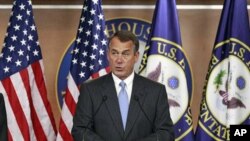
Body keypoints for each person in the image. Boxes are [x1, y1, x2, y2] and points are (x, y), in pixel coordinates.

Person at [72, 30, 174, 141]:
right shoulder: (90, 90)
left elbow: (166, 133)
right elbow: (80, 130)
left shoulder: (156, 91)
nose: (119, 60)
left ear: (136, 56)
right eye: (114, 53)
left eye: (125, 54)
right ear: (108, 55)